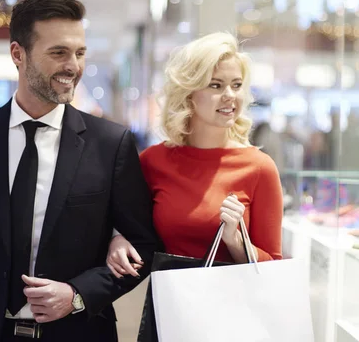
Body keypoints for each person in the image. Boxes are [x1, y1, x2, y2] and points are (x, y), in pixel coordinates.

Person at [0, 0, 158, 342]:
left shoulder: (109, 144)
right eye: (58, 52)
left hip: (75, 333)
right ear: (18, 54)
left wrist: (78, 294)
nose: (73, 66)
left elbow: (142, 245)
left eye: (79, 52)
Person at [105, 32, 283, 285]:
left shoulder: (259, 168)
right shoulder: (154, 161)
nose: (230, 95)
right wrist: (118, 239)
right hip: (171, 306)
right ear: (188, 93)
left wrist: (236, 241)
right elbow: (131, 228)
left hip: (235, 313)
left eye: (236, 84)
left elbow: (275, 269)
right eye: (216, 85)